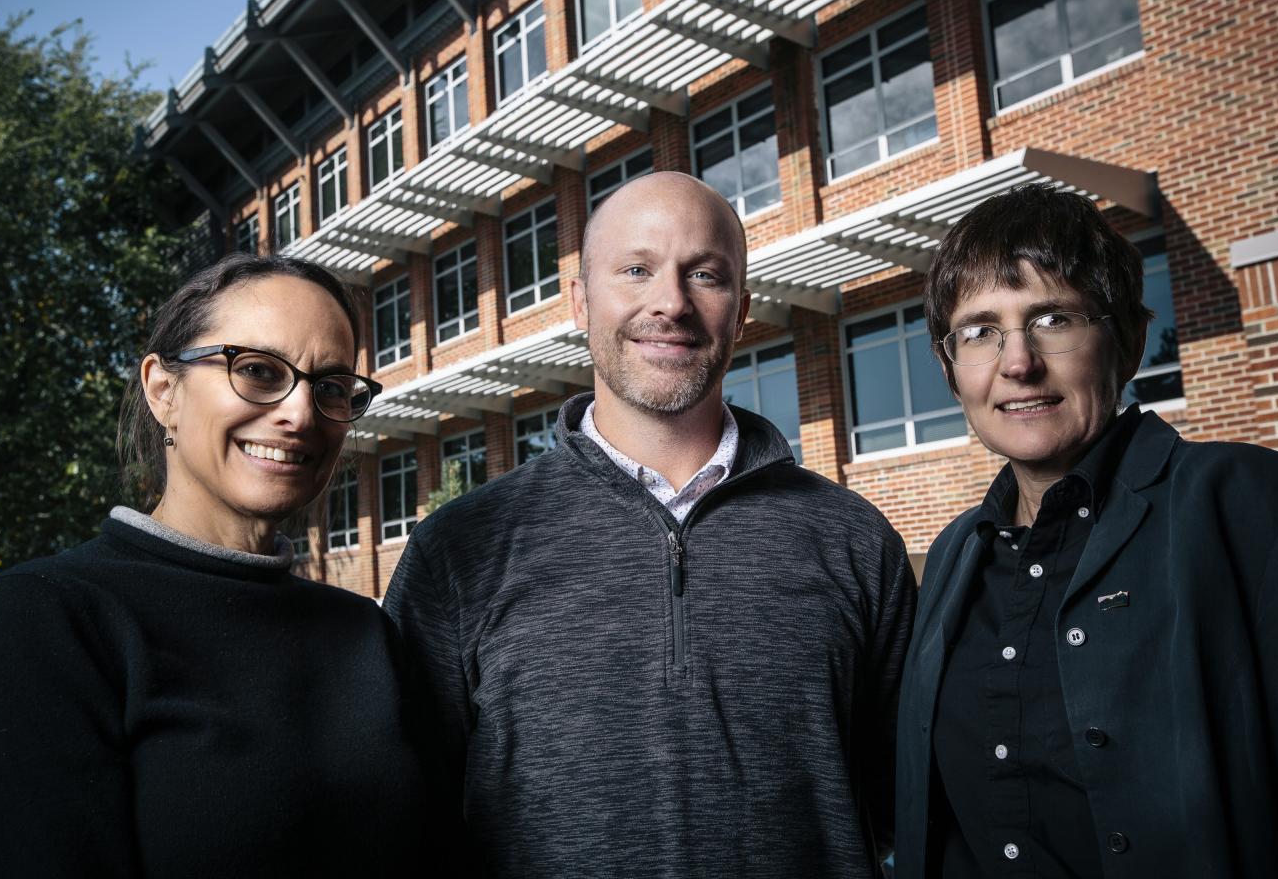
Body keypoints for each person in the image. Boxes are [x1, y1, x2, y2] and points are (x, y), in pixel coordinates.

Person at [386, 171, 916, 877]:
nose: (670, 302)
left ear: (742, 307)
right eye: (636, 270)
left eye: (706, 275)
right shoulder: (460, 548)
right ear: (579, 300)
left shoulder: (855, 538)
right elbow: (407, 824)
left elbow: (903, 803)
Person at [894, 183, 1278, 877]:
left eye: (1052, 319)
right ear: (951, 369)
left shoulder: (1267, 509)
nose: (1018, 362)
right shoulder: (954, 556)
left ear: (1129, 339)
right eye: (981, 330)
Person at [0, 254, 427, 877]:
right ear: (164, 391)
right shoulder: (46, 617)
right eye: (256, 370)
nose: (299, 414)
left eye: (329, 386)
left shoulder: (367, 634)